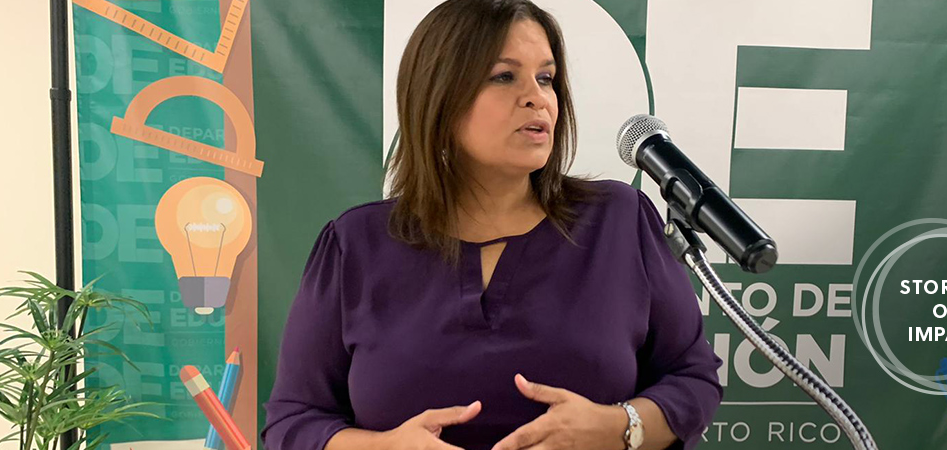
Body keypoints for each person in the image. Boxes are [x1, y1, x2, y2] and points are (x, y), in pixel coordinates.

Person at [259, 1, 723, 449]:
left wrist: (620, 427)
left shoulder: (620, 220)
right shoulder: (355, 244)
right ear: (439, 96)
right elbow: (293, 422)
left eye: (546, 78)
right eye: (504, 77)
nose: (537, 98)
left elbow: (692, 380)